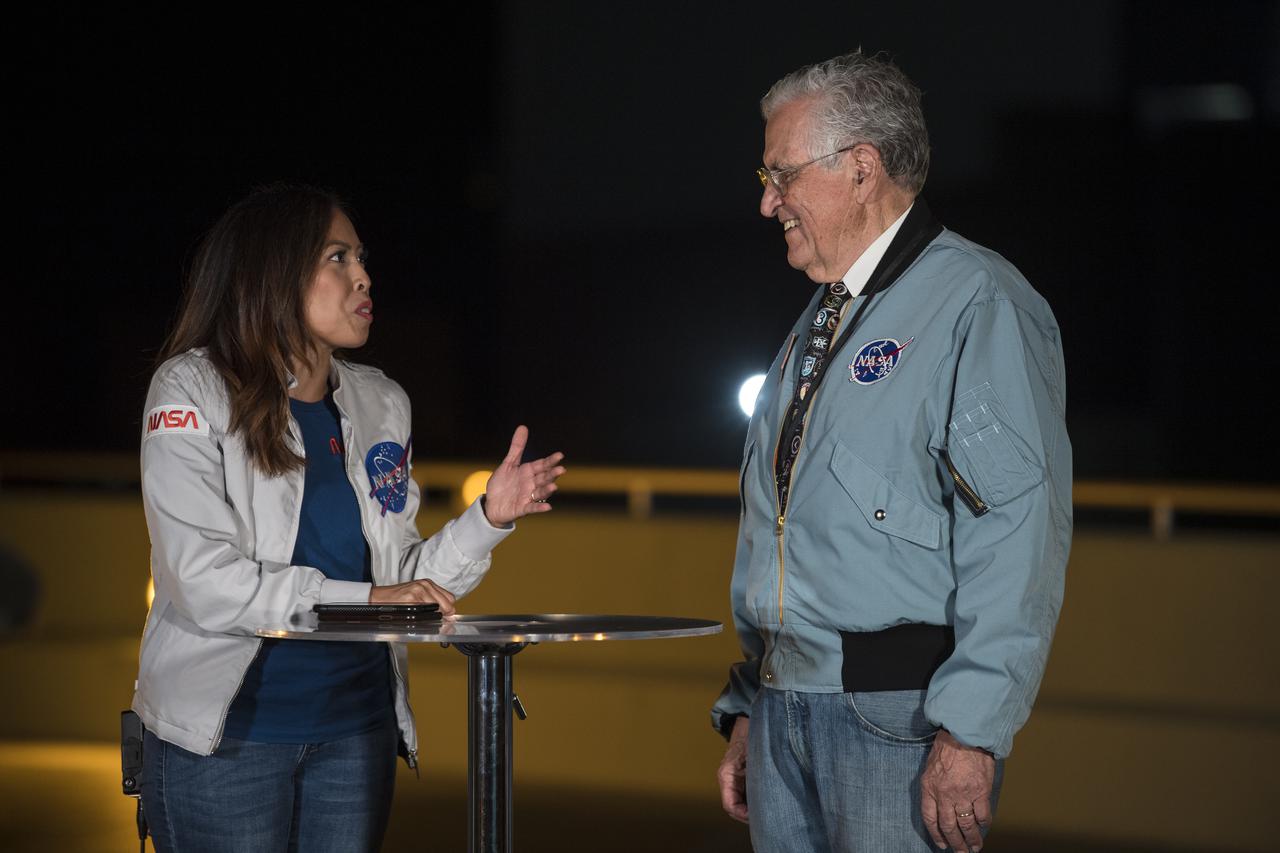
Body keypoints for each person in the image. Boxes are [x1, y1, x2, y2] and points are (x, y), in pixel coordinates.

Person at [132, 184, 565, 852]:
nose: (363, 276)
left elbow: (403, 581)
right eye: (337, 257)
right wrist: (371, 600)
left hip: (356, 733)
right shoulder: (190, 389)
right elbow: (202, 580)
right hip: (226, 741)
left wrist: (488, 518)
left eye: (360, 257)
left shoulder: (382, 400)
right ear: (272, 272)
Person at [712, 52, 1071, 852]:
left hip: (899, 719)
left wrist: (972, 728)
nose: (767, 201)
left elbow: (1017, 532)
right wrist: (750, 701)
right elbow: (783, 530)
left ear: (862, 168)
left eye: (782, 174)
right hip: (784, 710)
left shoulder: (978, 301)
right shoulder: (821, 318)